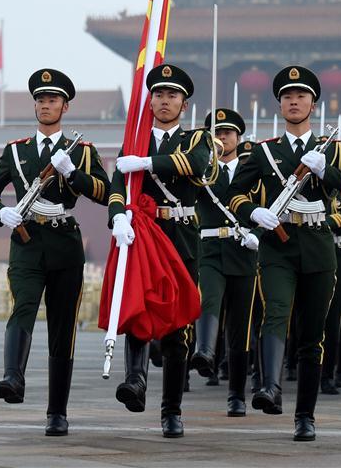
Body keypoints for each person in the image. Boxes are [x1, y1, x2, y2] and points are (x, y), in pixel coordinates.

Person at [226, 65, 341, 441]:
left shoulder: (331, 150)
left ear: (313, 103)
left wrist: (329, 174)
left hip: (318, 244)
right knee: (274, 313)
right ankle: (270, 387)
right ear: (279, 105)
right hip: (277, 243)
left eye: (301, 96)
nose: (294, 101)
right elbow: (235, 193)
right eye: (288, 97)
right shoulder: (264, 152)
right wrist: (251, 211)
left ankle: (305, 415)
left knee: (312, 333)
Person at [0, 68, 110, 436]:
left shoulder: (81, 152)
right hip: (26, 240)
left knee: (62, 326)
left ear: (65, 107)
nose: (45, 105)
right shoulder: (16, 150)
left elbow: (106, 192)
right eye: (40, 100)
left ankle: (57, 412)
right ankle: (13, 378)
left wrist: (74, 174)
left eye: (52, 100)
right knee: (22, 305)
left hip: (65, 241)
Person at [107, 63, 214, 438]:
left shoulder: (197, 139)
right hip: (143, 235)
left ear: (184, 105)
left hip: (181, 236)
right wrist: (118, 216)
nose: (164, 101)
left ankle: (172, 410)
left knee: (176, 327)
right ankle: (135, 380)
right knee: (138, 309)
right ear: (149, 101)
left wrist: (149, 162)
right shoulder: (134, 141)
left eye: (172, 96)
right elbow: (118, 183)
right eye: (158, 94)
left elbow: (198, 165)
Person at [190, 108, 260, 417]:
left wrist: (256, 232)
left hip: (244, 251)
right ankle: (204, 351)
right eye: (216, 133)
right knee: (208, 299)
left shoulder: (251, 171)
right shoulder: (201, 170)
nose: (222, 138)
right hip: (210, 248)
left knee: (240, 328)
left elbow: (266, 206)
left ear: (238, 137)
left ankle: (236, 395)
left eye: (227, 133)